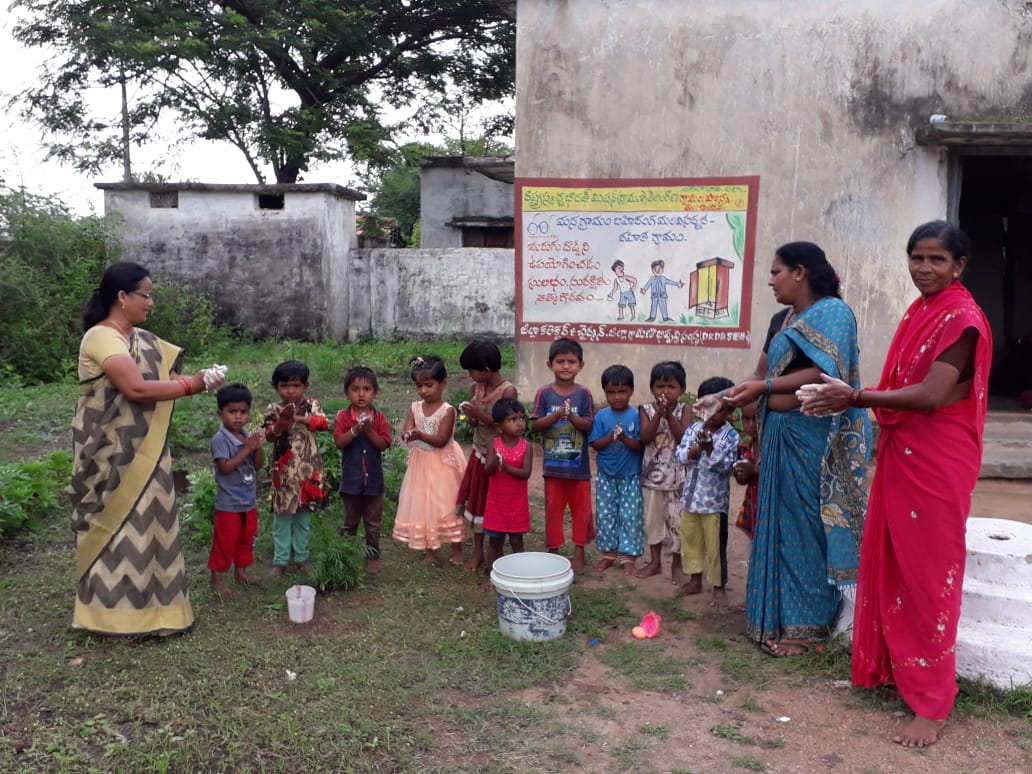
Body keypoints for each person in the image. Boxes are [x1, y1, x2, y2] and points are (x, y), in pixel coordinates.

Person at [798, 221, 992, 748]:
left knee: (929, 573)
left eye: (936, 260)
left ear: (960, 266)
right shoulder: (921, 311)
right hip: (904, 453)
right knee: (893, 561)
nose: (923, 269)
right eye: (916, 258)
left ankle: (933, 701)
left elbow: (931, 395)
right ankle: (896, 669)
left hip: (937, 459)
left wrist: (854, 398)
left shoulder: (962, 319)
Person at [724, 241, 869, 657]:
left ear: (800, 273)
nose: (771, 280)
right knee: (778, 526)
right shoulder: (782, 319)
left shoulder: (834, 313)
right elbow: (760, 372)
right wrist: (729, 400)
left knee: (807, 529)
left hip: (814, 441)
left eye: (776, 272)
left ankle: (807, 629)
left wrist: (766, 388)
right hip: (778, 436)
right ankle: (772, 616)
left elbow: (825, 371)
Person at [71, 261, 224, 637]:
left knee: (152, 524)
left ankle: (160, 615)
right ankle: (107, 618)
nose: (151, 302)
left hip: (148, 451)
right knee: (115, 528)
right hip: (109, 452)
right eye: (146, 294)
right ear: (122, 297)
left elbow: (166, 381)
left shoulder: (144, 340)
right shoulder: (101, 337)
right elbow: (136, 389)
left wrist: (201, 378)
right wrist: (193, 385)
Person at [393, 356, 467, 566]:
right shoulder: (415, 407)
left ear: (443, 384)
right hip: (421, 464)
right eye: (419, 386)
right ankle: (431, 550)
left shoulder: (448, 411)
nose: (424, 390)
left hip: (443, 465)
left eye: (429, 385)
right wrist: (408, 434)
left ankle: (456, 549)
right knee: (424, 505)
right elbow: (407, 427)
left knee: (447, 505)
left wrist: (420, 435)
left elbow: (442, 440)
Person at [530, 337, 595, 572]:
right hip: (553, 468)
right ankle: (553, 549)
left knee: (582, 511)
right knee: (553, 511)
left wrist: (572, 417)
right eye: (560, 361)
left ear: (580, 366)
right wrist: (557, 415)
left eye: (571, 362)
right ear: (550, 365)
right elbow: (536, 426)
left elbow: (589, 426)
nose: (566, 366)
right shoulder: (544, 394)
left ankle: (579, 550)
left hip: (579, 470)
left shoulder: (584, 394)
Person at [674, 377, 739, 606]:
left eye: (718, 410)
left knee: (715, 548)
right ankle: (695, 579)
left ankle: (719, 587)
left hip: (714, 505)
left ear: (730, 409)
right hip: (690, 501)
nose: (711, 415)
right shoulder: (693, 429)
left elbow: (727, 466)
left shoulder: (731, 436)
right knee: (691, 541)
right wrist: (697, 449)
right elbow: (679, 456)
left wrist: (710, 448)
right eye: (706, 408)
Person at [263, 360, 330, 578]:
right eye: (284, 386)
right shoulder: (273, 409)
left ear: (305, 387)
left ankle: (301, 557)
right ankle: (280, 560)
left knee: (303, 517)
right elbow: (268, 436)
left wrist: (297, 418)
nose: (290, 391)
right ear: (276, 387)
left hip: (308, 473)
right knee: (282, 517)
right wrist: (281, 424)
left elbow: (323, 423)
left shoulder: (311, 405)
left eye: (296, 386)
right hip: (283, 474)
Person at [455, 340, 518, 570]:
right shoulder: (476, 389)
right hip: (478, 451)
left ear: (486, 370)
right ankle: (479, 552)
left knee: (494, 503)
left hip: (497, 456)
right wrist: (470, 417)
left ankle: (497, 551)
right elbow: (475, 423)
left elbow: (506, 426)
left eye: (472, 371)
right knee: (477, 502)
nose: (470, 376)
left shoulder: (507, 391)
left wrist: (479, 416)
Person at [333, 366, 392, 572]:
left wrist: (370, 432)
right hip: (351, 480)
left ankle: (373, 554)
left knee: (373, 521)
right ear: (347, 392)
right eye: (355, 389)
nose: (361, 394)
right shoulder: (343, 416)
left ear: (374, 392)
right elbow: (340, 442)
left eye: (366, 389)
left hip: (374, 480)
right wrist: (356, 429)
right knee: (350, 521)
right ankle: (345, 554)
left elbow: (383, 444)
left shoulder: (380, 418)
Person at [208, 383, 265, 597]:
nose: (238, 417)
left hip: (248, 501)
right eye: (232, 412)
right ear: (220, 413)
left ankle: (241, 572)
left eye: (243, 412)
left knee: (246, 538)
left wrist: (257, 448)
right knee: (225, 541)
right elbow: (225, 468)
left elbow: (258, 465)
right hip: (228, 504)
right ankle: (217, 579)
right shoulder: (220, 440)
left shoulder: (245, 434)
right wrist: (248, 448)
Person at [636, 361, 690, 584]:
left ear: (682, 390)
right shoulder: (645, 410)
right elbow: (645, 437)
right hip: (652, 478)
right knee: (653, 522)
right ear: (652, 388)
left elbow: (683, 438)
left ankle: (677, 564)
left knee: (677, 523)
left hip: (678, 480)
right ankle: (655, 561)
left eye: (671, 387)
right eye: (660, 386)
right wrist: (659, 413)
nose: (665, 392)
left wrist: (669, 416)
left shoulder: (686, 410)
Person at [589, 364, 644, 574]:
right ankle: (608, 554)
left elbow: (640, 446)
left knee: (630, 516)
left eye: (622, 391)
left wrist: (624, 438)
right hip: (606, 475)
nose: (617, 397)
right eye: (611, 392)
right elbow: (595, 445)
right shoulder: (602, 416)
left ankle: (628, 556)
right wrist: (611, 437)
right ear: (605, 392)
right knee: (606, 514)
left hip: (630, 475)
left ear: (631, 391)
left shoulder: (637, 415)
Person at [482, 399, 533, 579]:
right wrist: (494, 463)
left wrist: (506, 467)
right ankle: (492, 573)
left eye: (522, 418)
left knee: (516, 540)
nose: (519, 423)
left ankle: (521, 574)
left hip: (516, 504)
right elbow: (487, 470)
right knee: (495, 541)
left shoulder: (526, 446)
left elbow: (525, 473)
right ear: (499, 426)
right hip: (496, 503)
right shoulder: (493, 444)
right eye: (512, 420)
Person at [733, 400, 760, 540]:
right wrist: (740, 474)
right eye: (746, 419)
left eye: (756, 418)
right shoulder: (745, 446)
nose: (751, 424)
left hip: (769, 503)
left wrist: (755, 469)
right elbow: (743, 480)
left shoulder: (770, 445)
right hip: (753, 502)